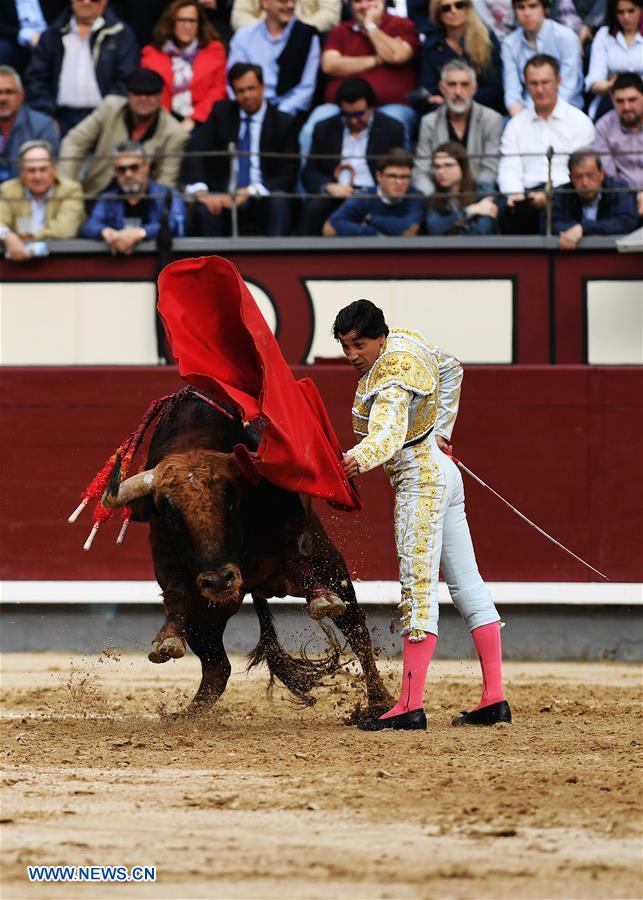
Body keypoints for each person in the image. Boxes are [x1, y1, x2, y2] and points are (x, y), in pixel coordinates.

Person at [333, 300, 511, 731]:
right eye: (345, 346)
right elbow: (451, 368)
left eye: (359, 344)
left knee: (418, 591)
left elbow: (389, 433)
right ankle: (494, 698)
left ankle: (410, 705)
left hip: (419, 482)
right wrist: (442, 431)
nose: (352, 355)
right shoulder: (407, 341)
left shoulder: (391, 378)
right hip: (443, 471)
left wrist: (357, 459)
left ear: (379, 337)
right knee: (468, 584)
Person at [184, 62, 299, 236]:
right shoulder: (221, 112)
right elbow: (196, 150)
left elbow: (288, 174)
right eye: (240, 91)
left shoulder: (283, 122)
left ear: (263, 87)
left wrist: (251, 191)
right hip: (225, 198)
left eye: (251, 89)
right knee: (204, 210)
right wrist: (202, 190)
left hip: (262, 197)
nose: (247, 95)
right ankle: (213, 263)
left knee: (279, 201)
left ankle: (276, 261)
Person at [498, 54, 595, 233]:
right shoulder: (515, 125)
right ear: (526, 85)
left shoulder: (579, 121)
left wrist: (551, 194)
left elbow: (580, 170)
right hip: (526, 196)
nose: (540, 89)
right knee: (505, 209)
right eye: (534, 84)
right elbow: (509, 168)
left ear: (558, 81)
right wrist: (515, 194)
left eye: (545, 82)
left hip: (566, 193)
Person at [58, 68, 188, 197]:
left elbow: (166, 183)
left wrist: (154, 207)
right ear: (128, 95)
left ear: (160, 96)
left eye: (149, 94)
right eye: (137, 93)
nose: (143, 98)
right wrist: (66, 187)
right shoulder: (110, 108)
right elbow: (74, 142)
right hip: (96, 194)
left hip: (143, 203)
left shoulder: (175, 133)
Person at [299, 76, 404, 234]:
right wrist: (329, 187)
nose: (354, 121)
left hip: (375, 195)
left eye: (359, 114)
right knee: (313, 209)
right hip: (337, 194)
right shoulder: (324, 128)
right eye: (347, 115)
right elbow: (311, 172)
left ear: (371, 107)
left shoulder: (392, 128)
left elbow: (399, 166)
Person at [312, 0, 420, 147]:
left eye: (369, 0)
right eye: (357, 1)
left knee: (395, 124)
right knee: (313, 126)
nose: (363, 6)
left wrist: (371, 26)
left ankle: (397, 170)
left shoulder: (402, 25)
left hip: (390, 107)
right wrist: (377, 60)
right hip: (340, 108)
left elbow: (397, 55)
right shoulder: (340, 31)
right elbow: (329, 65)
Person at [25, 0, 139, 136]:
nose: (86, 2)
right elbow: (36, 79)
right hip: (60, 118)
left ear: (104, 2)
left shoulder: (121, 34)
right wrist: (47, 118)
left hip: (106, 120)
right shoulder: (53, 34)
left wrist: (110, 115)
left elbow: (127, 80)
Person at [413, 60, 503, 196]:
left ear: (474, 88)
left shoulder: (491, 119)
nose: (458, 92)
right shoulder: (429, 122)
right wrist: (434, 198)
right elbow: (421, 171)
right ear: (442, 88)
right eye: (452, 85)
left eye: (464, 85)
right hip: (439, 196)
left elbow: (490, 170)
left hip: (478, 192)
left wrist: (467, 200)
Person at [80, 140, 188, 252]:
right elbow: (89, 226)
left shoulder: (168, 195)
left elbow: (176, 224)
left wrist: (140, 233)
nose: (128, 174)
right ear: (115, 172)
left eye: (134, 167)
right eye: (122, 169)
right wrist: (108, 233)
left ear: (146, 166)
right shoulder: (109, 198)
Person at [140, 1, 227, 134]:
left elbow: (218, 91)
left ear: (200, 25)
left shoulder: (215, 51)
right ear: (171, 23)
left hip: (202, 121)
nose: (187, 26)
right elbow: (149, 90)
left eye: (192, 21)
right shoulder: (152, 53)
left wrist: (193, 119)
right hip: (162, 122)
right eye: (181, 20)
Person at [227, 0, 321, 117]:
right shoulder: (243, 37)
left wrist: (276, 117)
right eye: (284, 1)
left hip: (287, 116)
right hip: (247, 111)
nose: (291, 5)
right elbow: (234, 83)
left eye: (294, 1)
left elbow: (306, 89)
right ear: (265, 3)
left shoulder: (307, 36)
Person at [0, 138, 84, 260]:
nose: (37, 176)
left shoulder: (71, 190)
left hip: (60, 261)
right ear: (21, 172)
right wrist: (6, 235)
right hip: (16, 265)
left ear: (54, 169)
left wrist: (25, 237)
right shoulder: (7, 190)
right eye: (31, 170)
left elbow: (65, 229)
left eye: (43, 169)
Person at [418, 0, 504, 115]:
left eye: (459, 5)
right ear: (439, 15)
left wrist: (457, 100)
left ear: (468, 8)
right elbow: (429, 87)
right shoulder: (431, 45)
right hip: (444, 114)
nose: (454, 11)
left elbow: (494, 88)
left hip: (484, 110)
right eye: (446, 8)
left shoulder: (486, 39)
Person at [502, 0, 584, 115]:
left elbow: (568, 89)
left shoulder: (567, 37)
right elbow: (512, 94)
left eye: (533, 6)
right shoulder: (509, 44)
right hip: (525, 114)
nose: (527, 13)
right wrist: (523, 122)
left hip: (567, 112)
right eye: (521, 7)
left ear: (545, 8)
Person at [324, 148, 425, 235]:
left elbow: (407, 229)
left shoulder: (415, 197)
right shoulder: (365, 196)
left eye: (405, 177)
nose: (399, 182)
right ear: (379, 176)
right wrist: (373, 234)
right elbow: (333, 224)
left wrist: (370, 219)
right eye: (392, 176)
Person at [550, 147, 638, 247]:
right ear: (571, 178)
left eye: (590, 175)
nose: (585, 183)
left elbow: (626, 223)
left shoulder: (619, 189)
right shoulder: (561, 194)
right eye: (578, 177)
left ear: (601, 174)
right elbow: (551, 225)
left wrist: (583, 229)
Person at [594, 72, 643, 217]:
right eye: (620, 101)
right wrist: (631, 198)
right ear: (612, 99)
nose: (626, 106)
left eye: (632, 99)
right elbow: (609, 174)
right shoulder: (604, 126)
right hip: (619, 199)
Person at [0, 65, 59, 184]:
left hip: (25, 197)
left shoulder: (42, 126)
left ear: (21, 96)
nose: (3, 98)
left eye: (9, 92)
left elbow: (47, 174)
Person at [585, 0, 643, 119]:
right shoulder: (604, 35)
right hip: (612, 102)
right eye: (620, 12)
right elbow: (594, 82)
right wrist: (613, 86)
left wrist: (624, 82)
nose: (626, 17)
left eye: (631, 11)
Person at [426, 141, 498, 233]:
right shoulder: (435, 197)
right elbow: (434, 228)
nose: (440, 171)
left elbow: (481, 232)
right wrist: (469, 211)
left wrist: (451, 227)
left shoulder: (483, 191)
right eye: (437, 166)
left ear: (463, 167)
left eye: (448, 165)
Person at [0, 0, 65, 72]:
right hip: (17, 39)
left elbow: (63, 12)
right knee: (3, 50)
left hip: (51, 33)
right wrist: (25, 35)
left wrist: (47, 36)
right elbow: (2, 27)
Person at [231, 0, 341, 32]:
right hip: (261, 37)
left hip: (306, 37)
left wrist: (297, 31)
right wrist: (266, 32)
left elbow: (330, 15)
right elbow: (239, 16)